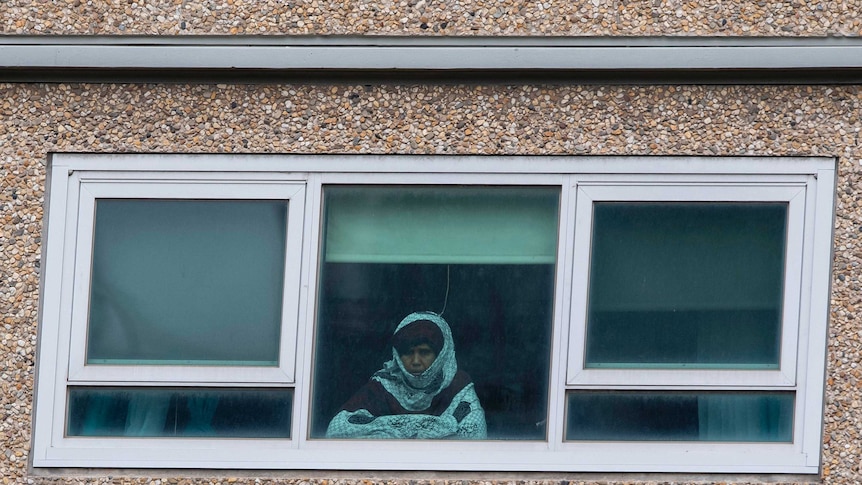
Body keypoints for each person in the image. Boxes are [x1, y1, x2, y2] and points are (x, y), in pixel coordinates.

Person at [325, 311, 487, 439]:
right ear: (397, 355)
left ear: (441, 355)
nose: (415, 361)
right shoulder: (384, 384)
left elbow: (473, 438)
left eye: (424, 352)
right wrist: (439, 429)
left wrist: (390, 431)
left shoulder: (457, 385)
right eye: (408, 353)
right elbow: (339, 428)